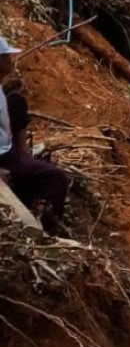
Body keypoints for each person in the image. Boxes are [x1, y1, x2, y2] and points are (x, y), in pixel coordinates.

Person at [0, 38, 69, 233]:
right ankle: (52, 231)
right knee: (57, 178)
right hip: (4, 157)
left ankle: (36, 207)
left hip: (10, 153)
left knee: (17, 101)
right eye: (6, 57)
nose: (10, 61)